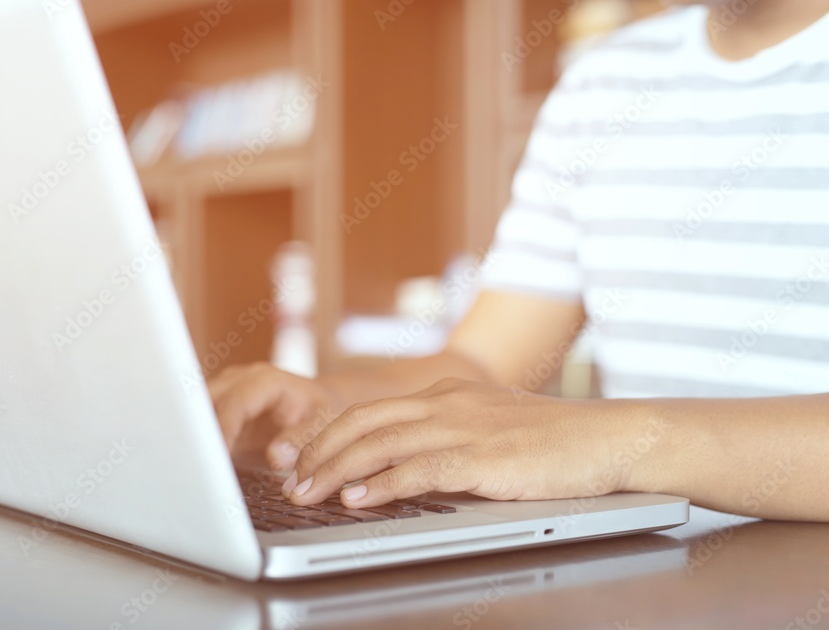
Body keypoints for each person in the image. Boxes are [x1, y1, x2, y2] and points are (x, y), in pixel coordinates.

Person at [210, 0, 829, 522]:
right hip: (651, 583)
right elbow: (484, 361)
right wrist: (328, 404)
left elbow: (607, 440)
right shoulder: (605, 82)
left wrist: (616, 441)